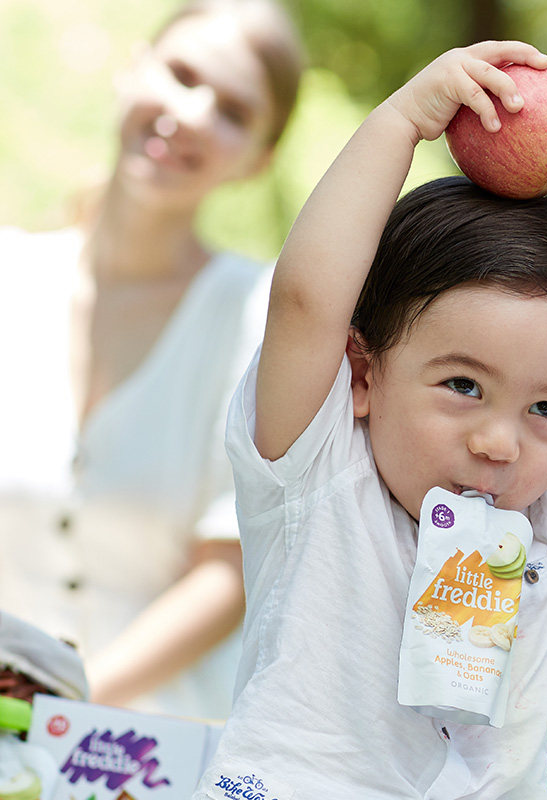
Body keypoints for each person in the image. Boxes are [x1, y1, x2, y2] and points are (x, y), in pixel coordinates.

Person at [194, 40, 547, 798]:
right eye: (464, 385)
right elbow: (305, 302)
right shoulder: (316, 469)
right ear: (363, 374)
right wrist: (401, 122)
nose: (499, 443)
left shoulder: (546, 521)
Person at [0, 0, 303, 718]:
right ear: (132, 70)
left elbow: (229, 570)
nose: (192, 114)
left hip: (147, 747)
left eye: (232, 111)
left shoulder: (259, 317)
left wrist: (58, 708)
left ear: (259, 159)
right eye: (181, 75)